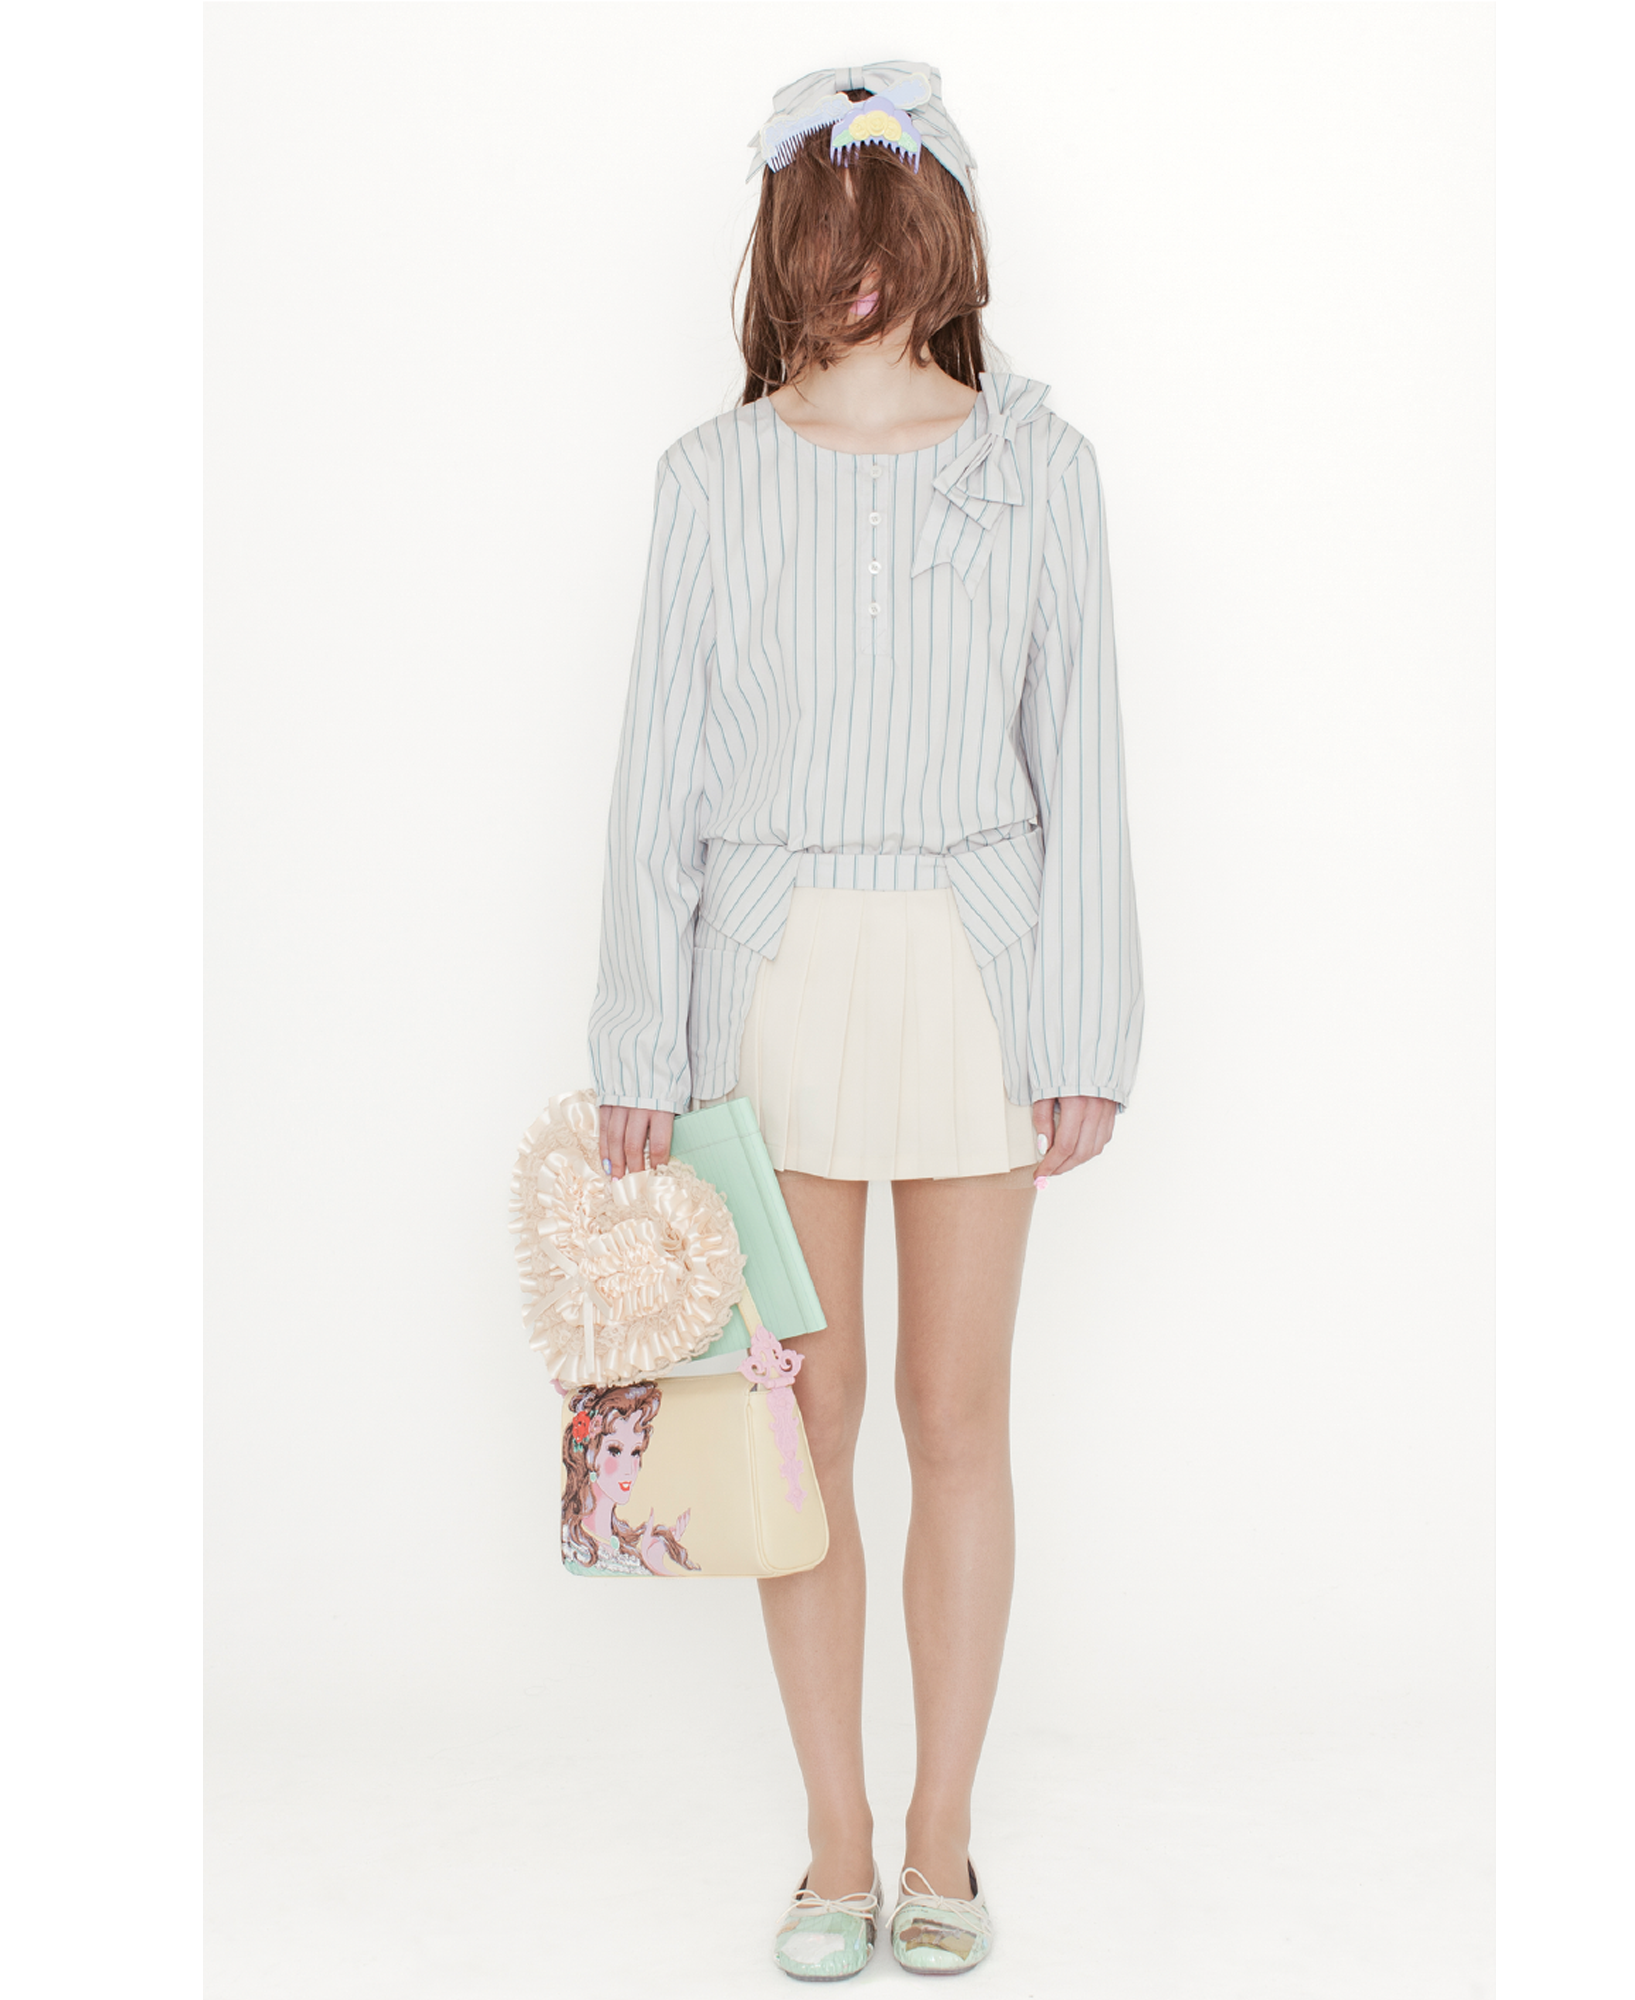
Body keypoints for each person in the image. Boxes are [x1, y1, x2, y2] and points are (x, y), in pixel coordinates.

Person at [584, 60, 1143, 1980]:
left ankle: (942, 1842)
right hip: (775, 976)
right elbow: (656, 783)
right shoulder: (712, 479)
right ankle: (836, 1848)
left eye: (885, 232)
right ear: (780, 243)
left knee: (957, 1417)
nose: (854, 271)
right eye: (820, 232)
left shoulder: (1042, 469)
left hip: (980, 972)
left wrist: (1089, 1029)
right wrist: (636, 1044)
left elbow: (1081, 760)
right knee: (804, 1426)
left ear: (943, 237)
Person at [559, 1380, 698, 1577]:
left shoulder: (631, 1544)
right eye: (615, 1451)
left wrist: (655, 1562)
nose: (628, 1469)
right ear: (589, 1454)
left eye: (635, 1452)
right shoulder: (574, 1550)